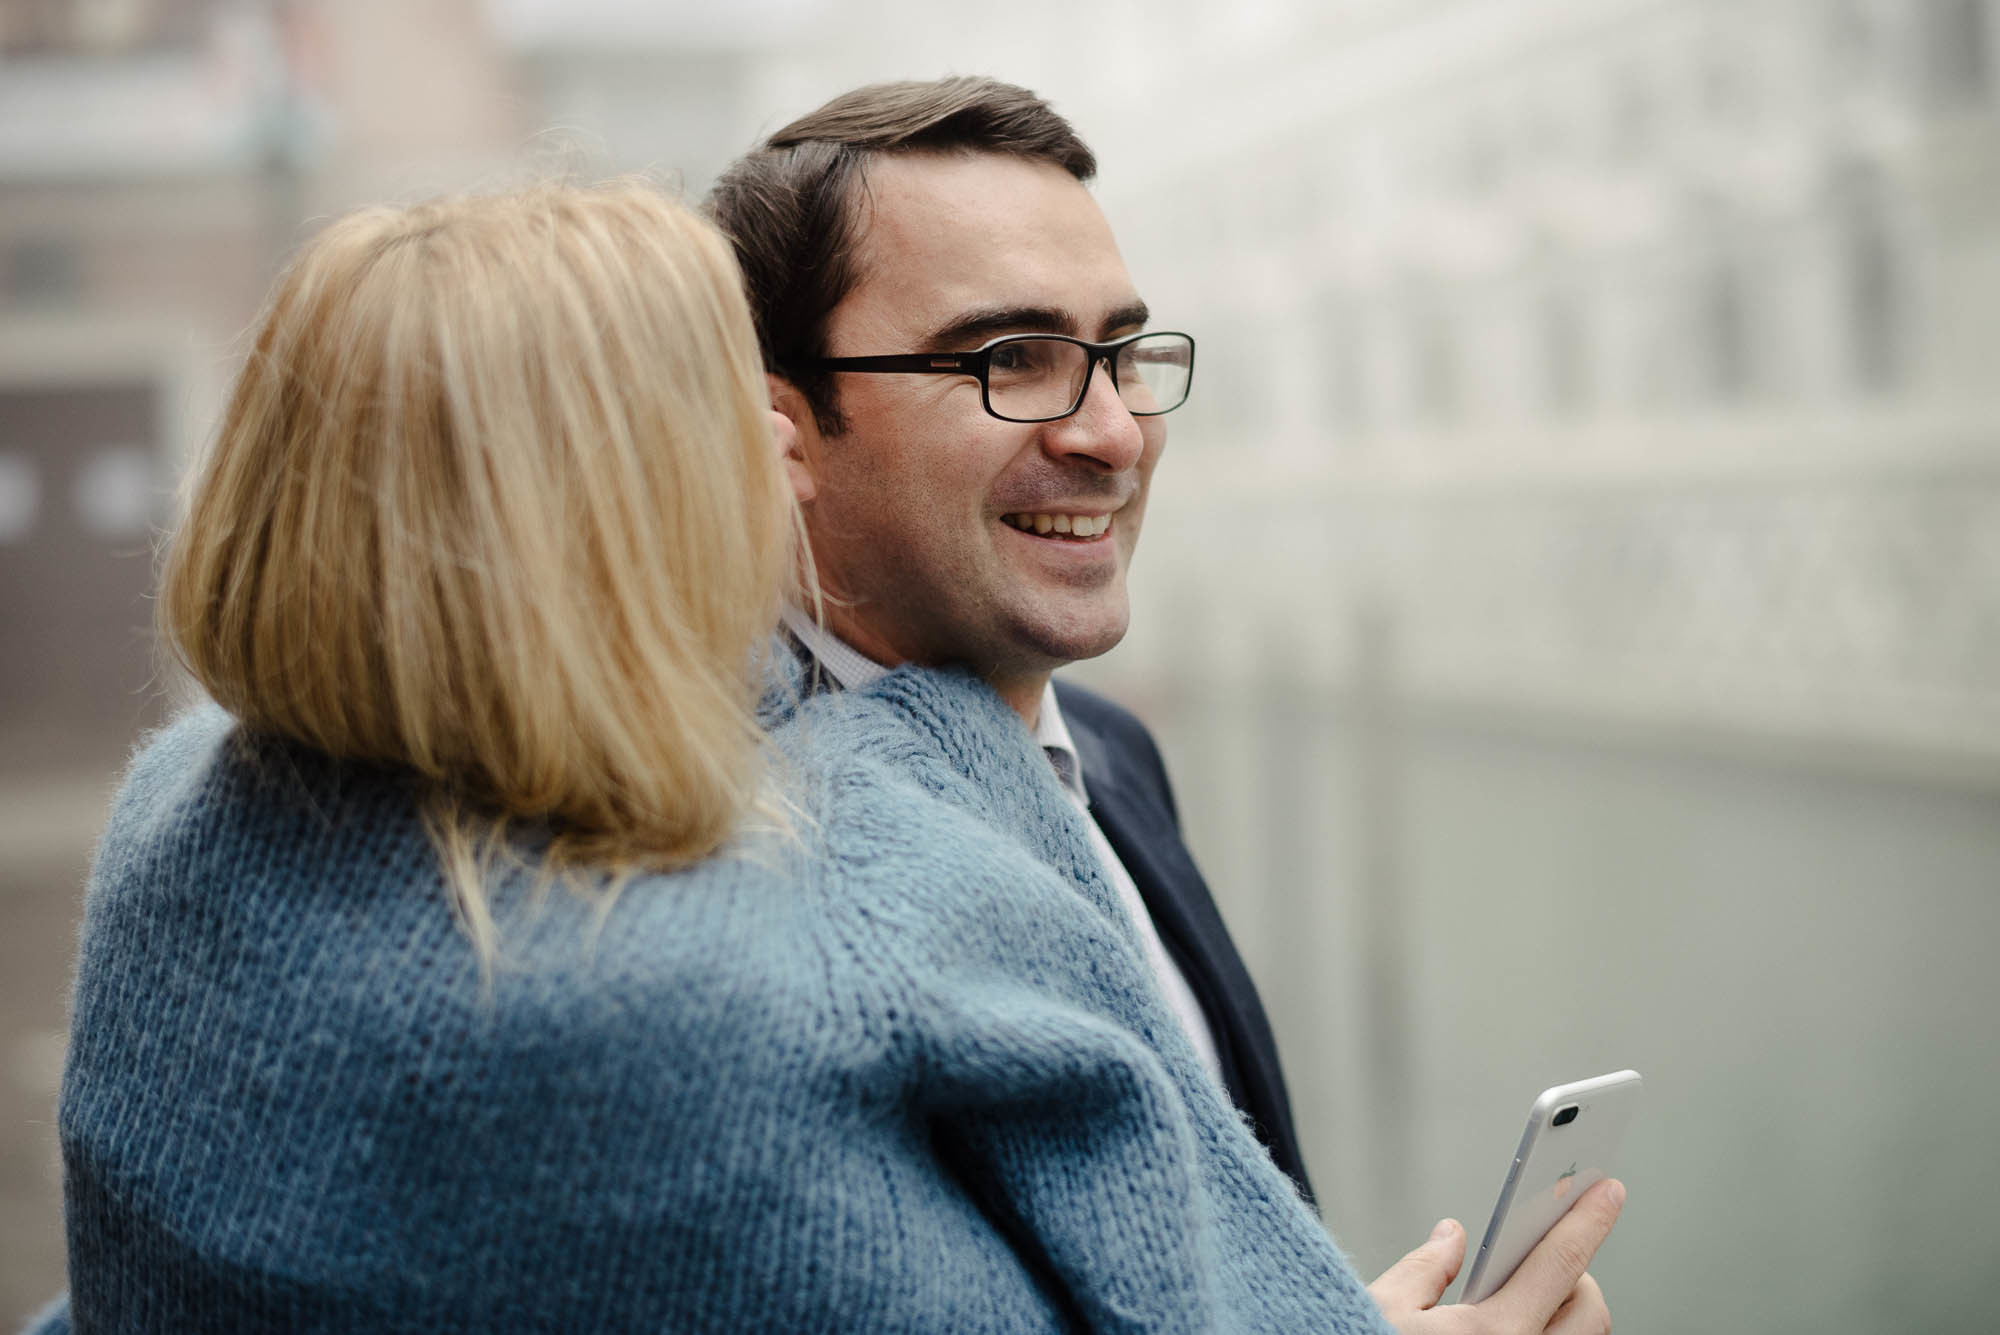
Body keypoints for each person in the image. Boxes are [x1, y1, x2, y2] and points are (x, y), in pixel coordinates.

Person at [25, 180, 1398, 1332]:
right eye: (726, 412)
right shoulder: (762, 972)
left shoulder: (174, 819)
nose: (782, 453)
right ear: (604, 510)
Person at [705, 77, 1623, 1334]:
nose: (1113, 434)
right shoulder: (720, 875)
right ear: (785, 430)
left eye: (1122, 354)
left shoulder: (1115, 758)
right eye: (1009, 360)